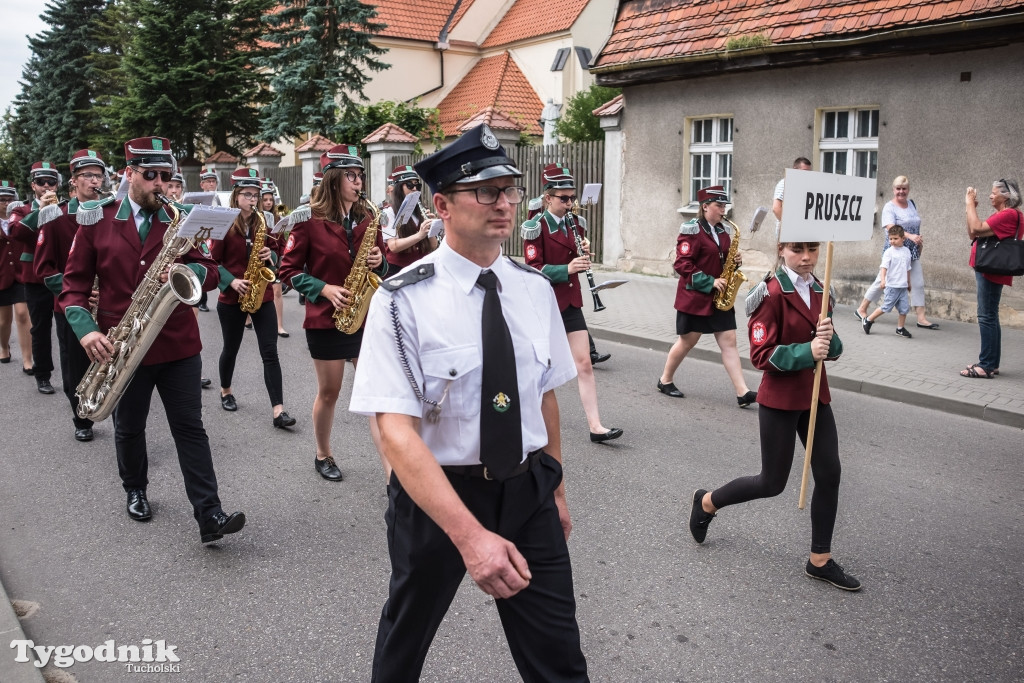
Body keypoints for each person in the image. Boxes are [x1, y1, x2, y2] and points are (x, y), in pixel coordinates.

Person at [350, 123, 589, 683]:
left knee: (559, 658)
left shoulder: (533, 289)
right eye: (486, 191)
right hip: (439, 496)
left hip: (527, 492)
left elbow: (543, 397)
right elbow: (395, 432)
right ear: (443, 205)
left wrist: (554, 487)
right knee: (403, 648)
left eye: (509, 189)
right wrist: (470, 536)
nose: (504, 203)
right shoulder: (399, 300)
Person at [58, 136, 246, 544]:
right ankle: (135, 488)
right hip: (121, 345)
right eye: (151, 175)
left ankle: (209, 512)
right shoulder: (96, 219)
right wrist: (86, 330)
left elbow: (211, 269)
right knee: (129, 426)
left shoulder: (183, 217)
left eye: (166, 175)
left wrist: (193, 274)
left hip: (177, 342)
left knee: (190, 428)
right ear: (129, 175)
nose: (161, 183)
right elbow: (72, 287)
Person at [689, 240, 860, 591]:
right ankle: (707, 501)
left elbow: (833, 347)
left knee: (830, 473)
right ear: (782, 249)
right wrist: (806, 350)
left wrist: (831, 343)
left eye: (813, 249)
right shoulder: (770, 293)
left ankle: (819, 560)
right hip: (780, 399)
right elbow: (761, 355)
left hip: (815, 396)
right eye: (798, 250)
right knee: (772, 483)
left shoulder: (821, 291)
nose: (807, 257)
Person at [278, 144, 388, 481]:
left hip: (364, 317)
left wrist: (379, 261)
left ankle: (393, 474)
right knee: (330, 392)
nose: (358, 183)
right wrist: (324, 289)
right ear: (333, 179)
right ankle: (323, 453)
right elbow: (287, 271)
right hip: (326, 320)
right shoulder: (307, 221)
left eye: (360, 176)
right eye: (351, 176)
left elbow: (383, 263)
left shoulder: (369, 217)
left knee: (377, 393)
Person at [523, 163, 622, 443]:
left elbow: (578, 258)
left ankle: (596, 426)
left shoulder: (576, 224)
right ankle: (527, 418)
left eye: (571, 198)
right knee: (540, 367)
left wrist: (585, 253)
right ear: (547, 198)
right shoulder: (534, 227)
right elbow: (533, 269)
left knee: (584, 364)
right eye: (563, 198)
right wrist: (566, 269)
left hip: (570, 302)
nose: (569, 203)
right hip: (544, 304)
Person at [209, 168, 295, 429]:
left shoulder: (264, 223)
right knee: (231, 349)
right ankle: (226, 391)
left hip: (262, 294)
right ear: (236, 196)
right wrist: (231, 281)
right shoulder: (223, 224)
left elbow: (280, 257)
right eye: (248, 194)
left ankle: (278, 410)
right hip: (232, 297)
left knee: (270, 352)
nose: (253, 199)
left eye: (256, 195)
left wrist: (272, 256)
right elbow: (212, 262)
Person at [32, 149, 109, 441]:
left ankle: (117, 410)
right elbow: (44, 268)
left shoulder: (111, 213)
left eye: (98, 175)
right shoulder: (56, 216)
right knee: (75, 364)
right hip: (71, 303)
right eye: (87, 175)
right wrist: (74, 291)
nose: (94, 181)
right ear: (73, 182)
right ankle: (82, 418)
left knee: (114, 359)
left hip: (108, 302)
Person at [657, 185, 757, 407]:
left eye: (724, 205)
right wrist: (709, 281)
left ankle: (743, 392)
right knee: (687, 342)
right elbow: (681, 264)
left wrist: (735, 261)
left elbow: (721, 259)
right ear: (705, 207)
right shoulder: (691, 230)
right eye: (719, 205)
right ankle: (665, 380)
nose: (724, 210)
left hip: (719, 298)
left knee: (729, 341)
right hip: (696, 297)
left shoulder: (723, 231)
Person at [7, 161, 61, 394]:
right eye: (41, 182)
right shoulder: (22, 210)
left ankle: (75, 374)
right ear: (33, 185)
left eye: (51, 182)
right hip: (36, 278)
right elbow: (16, 233)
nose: (47, 186)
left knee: (68, 330)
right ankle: (43, 374)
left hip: (61, 275)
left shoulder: (65, 207)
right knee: (40, 328)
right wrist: (40, 210)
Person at [855, 176, 937, 329]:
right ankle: (862, 309)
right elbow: (890, 227)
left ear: (908, 190)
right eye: (898, 188)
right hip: (894, 250)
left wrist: (917, 242)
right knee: (881, 281)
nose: (901, 191)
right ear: (893, 190)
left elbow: (915, 225)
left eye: (904, 188)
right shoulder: (889, 207)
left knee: (918, 283)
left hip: (911, 250)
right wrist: (910, 236)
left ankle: (921, 318)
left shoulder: (911, 204)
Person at [961, 179, 1023, 379]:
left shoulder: (1009, 215)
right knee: (991, 315)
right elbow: (973, 231)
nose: (990, 195)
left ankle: (986, 365)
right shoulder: (1005, 215)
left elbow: (977, 227)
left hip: (990, 270)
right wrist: (970, 208)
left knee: (986, 316)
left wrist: (970, 203)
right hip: (989, 269)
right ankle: (991, 363)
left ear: (1006, 196)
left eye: (994, 192)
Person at [382, 165, 438, 277]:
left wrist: (432, 228)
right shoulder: (388, 213)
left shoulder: (420, 211)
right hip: (398, 271)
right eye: (409, 185)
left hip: (421, 268)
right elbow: (393, 246)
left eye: (417, 185)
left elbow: (433, 245)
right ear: (399, 188)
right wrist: (419, 235)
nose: (414, 189)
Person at [1, 182, 33, 372]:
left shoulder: (20, 218)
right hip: (1, 275)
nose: (6, 203)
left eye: (9, 199)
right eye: (2, 200)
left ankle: (27, 360)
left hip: (21, 273)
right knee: (3, 321)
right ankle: (4, 347)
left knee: (22, 314)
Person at [862, 225, 913, 338]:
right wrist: (883, 280)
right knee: (886, 307)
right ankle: (868, 320)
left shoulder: (907, 252)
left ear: (903, 238)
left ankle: (900, 328)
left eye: (895, 238)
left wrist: (909, 282)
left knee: (904, 309)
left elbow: (908, 268)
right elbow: (884, 268)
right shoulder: (889, 252)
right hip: (892, 285)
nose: (892, 241)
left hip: (903, 286)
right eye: (890, 239)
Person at [260, 180, 290, 338]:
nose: (268, 202)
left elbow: (283, 240)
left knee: (277, 291)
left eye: (270, 200)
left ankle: (279, 325)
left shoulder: (278, 218)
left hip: (274, 260)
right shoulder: (256, 217)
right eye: (265, 200)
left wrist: (282, 256)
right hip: (258, 259)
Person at [195, 167, 218, 312]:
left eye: (213, 181)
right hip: (202, 236)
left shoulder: (220, 198)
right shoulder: (196, 199)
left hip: (217, 235)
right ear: (202, 185)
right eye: (208, 181)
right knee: (202, 264)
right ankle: (202, 300)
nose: (211, 184)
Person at [772, 157, 812, 228]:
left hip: (802, 229)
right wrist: (790, 227)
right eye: (805, 171)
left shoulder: (805, 186)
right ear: (795, 169)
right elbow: (776, 208)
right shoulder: (784, 183)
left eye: (809, 172)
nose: (807, 175)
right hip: (787, 231)